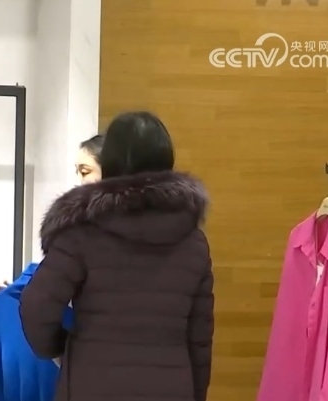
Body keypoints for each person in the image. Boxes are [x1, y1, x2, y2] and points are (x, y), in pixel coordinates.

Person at [20, 111, 214, 401]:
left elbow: (36, 306)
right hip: (170, 388)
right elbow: (200, 338)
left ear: (109, 160)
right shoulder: (193, 241)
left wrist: (60, 349)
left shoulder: (82, 231)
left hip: (92, 383)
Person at [0, 133, 105, 295]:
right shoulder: (78, 222)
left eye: (85, 172)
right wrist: (20, 291)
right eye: (77, 172)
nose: (80, 181)